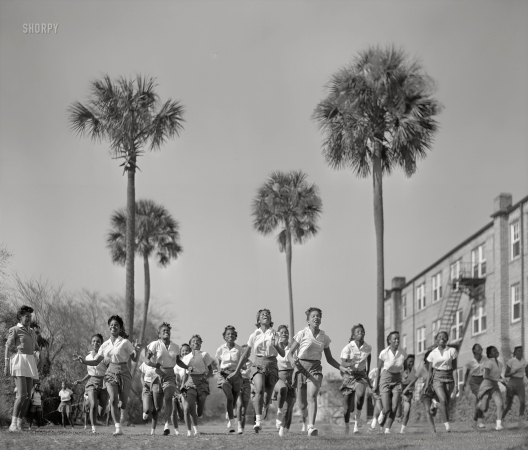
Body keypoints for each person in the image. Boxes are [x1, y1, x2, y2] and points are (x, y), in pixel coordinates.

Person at [288, 307, 352, 437]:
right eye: (313, 316)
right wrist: (291, 361)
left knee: (312, 396)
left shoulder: (324, 337)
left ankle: (311, 426)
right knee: (301, 404)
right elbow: (289, 353)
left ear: (320, 319)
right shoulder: (302, 334)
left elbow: (329, 359)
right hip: (300, 367)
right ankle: (305, 420)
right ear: (308, 320)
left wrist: (342, 368)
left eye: (318, 316)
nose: (316, 318)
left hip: (315, 368)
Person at [73, 315, 140, 436]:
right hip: (110, 372)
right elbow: (96, 361)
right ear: (109, 327)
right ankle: (118, 427)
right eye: (112, 325)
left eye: (116, 325)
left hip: (124, 371)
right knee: (113, 399)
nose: (113, 327)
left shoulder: (125, 342)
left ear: (120, 328)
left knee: (123, 403)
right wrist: (84, 361)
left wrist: (137, 350)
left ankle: (122, 404)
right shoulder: (105, 345)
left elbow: (134, 358)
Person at [229, 309, 285, 433]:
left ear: (270, 320)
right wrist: (236, 371)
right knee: (259, 388)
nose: (265, 316)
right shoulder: (254, 335)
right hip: (258, 364)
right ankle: (258, 421)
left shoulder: (275, 334)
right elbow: (245, 355)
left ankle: (273, 410)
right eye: (262, 315)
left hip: (272, 366)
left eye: (268, 315)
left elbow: (282, 352)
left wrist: (276, 345)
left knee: (271, 395)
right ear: (258, 320)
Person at [145, 322, 188, 436]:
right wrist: (154, 365)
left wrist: (188, 367)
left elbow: (178, 361)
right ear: (159, 334)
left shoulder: (176, 346)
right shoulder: (155, 344)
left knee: (169, 398)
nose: (166, 331)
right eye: (163, 330)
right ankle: (154, 424)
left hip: (170, 374)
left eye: (168, 330)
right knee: (158, 407)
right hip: (157, 374)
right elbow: (146, 360)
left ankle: (166, 425)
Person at [5, 305, 42, 432]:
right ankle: (13, 424)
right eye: (26, 316)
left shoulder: (32, 331)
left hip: (30, 362)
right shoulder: (14, 329)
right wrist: (6, 364)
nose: (29, 318)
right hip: (19, 361)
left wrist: (39, 355)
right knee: (21, 395)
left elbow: (36, 347)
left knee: (28, 396)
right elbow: (8, 346)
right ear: (20, 317)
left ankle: (19, 423)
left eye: (30, 317)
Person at [73, 334, 109, 433]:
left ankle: (98, 413)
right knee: (93, 404)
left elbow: (109, 370)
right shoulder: (88, 357)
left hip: (103, 384)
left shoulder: (105, 356)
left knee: (101, 413)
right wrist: (81, 380)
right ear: (91, 343)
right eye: (93, 341)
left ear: (101, 344)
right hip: (91, 383)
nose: (95, 343)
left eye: (98, 341)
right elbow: (90, 373)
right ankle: (93, 428)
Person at [340, 323, 372, 434]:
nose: (360, 333)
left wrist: (366, 374)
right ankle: (347, 426)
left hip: (360, 375)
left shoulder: (368, 347)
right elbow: (343, 363)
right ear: (353, 335)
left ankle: (357, 421)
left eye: (362, 331)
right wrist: (350, 362)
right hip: (349, 375)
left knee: (360, 394)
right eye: (358, 331)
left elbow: (368, 359)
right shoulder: (348, 348)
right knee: (347, 408)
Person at [180, 334, 213, 436]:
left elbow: (211, 370)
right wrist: (182, 385)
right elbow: (185, 373)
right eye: (193, 341)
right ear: (190, 345)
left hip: (202, 381)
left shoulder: (205, 355)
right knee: (190, 405)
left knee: (199, 412)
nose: (196, 343)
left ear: (201, 344)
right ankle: (194, 430)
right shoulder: (186, 358)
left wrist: (206, 377)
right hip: (190, 381)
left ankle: (200, 405)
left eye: (198, 341)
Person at [374, 331, 406, 434]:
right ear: (389, 340)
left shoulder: (403, 352)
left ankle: (387, 429)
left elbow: (403, 368)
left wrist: (404, 375)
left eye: (398, 339)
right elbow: (378, 369)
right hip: (385, 378)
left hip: (397, 379)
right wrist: (375, 385)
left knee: (395, 406)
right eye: (394, 339)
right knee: (387, 408)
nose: (397, 341)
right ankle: (383, 413)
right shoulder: (384, 353)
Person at [427, 331, 458, 433]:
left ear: (447, 339)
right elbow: (430, 371)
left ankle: (435, 403)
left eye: (444, 337)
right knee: (443, 400)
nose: (442, 338)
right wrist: (428, 384)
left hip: (449, 378)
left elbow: (454, 369)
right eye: (440, 337)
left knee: (446, 404)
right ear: (436, 339)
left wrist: (456, 385)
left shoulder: (452, 351)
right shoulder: (432, 354)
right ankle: (447, 427)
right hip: (437, 378)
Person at [215, 325, 243, 433]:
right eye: (228, 334)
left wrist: (242, 368)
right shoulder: (221, 349)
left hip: (236, 375)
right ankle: (231, 423)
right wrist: (218, 372)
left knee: (234, 400)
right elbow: (218, 361)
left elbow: (243, 361)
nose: (230, 335)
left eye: (232, 334)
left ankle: (229, 411)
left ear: (235, 336)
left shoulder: (239, 349)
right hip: (224, 374)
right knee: (230, 398)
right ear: (224, 337)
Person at [273, 325, 296, 437]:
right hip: (278, 377)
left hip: (291, 377)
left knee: (288, 407)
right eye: (281, 332)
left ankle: (283, 428)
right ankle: (278, 415)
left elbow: (296, 360)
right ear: (278, 334)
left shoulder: (292, 347)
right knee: (282, 403)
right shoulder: (274, 348)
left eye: (286, 332)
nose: (284, 334)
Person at [478, 346, 506, 431]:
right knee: (484, 408)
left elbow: (499, 376)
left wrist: (506, 384)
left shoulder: (500, 364)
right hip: (486, 386)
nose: (496, 351)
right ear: (490, 354)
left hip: (495, 387)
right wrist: (499, 379)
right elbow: (486, 376)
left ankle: (498, 425)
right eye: (494, 351)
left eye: (496, 350)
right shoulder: (489, 362)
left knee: (500, 404)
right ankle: (478, 407)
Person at [463, 343, 486, 430]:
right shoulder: (471, 361)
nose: (480, 348)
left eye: (481, 347)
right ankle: (480, 422)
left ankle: (475, 422)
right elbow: (466, 373)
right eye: (478, 348)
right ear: (474, 351)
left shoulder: (485, 359)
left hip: (483, 380)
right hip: (474, 381)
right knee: (481, 398)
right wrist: (464, 383)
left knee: (479, 402)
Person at [502, 346, 527, 428]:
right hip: (512, 383)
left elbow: (527, 373)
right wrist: (513, 372)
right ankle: (501, 420)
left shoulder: (524, 361)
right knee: (508, 405)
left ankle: (520, 421)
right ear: (515, 352)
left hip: (520, 383)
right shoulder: (511, 361)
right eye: (519, 351)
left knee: (523, 402)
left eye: (521, 351)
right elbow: (506, 374)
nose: (520, 352)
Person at [139, 359, 162, 435]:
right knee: (147, 409)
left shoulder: (160, 363)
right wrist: (143, 384)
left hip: (156, 386)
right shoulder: (145, 363)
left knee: (156, 409)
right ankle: (145, 410)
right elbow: (141, 377)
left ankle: (153, 431)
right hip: (147, 386)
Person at [418, 349, 438, 433]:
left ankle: (434, 404)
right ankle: (433, 430)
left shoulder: (437, 368)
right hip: (425, 393)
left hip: (435, 393)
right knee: (427, 410)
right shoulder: (423, 369)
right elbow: (414, 378)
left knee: (433, 412)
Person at [398, 354, 416, 434]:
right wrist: (402, 395)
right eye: (409, 362)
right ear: (406, 362)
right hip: (400, 392)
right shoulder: (402, 371)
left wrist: (412, 390)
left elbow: (413, 383)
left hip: (408, 393)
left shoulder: (414, 371)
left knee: (407, 411)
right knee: (395, 410)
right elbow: (398, 384)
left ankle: (402, 430)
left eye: (412, 362)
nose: (411, 363)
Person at [236, 355, 253, 434]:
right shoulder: (236, 362)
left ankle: (242, 428)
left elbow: (247, 373)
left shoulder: (250, 363)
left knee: (244, 409)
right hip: (238, 383)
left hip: (246, 384)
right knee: (239, 404)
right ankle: (239, 426)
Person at [367, 367, 383, 433]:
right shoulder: (375, 370)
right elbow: (369, 379)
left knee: (377, 407)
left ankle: (373, 425)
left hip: (384, 390)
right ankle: (382, 414)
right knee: (379, 407)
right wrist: (372, 387)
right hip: (377, 390)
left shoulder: (388, 369)